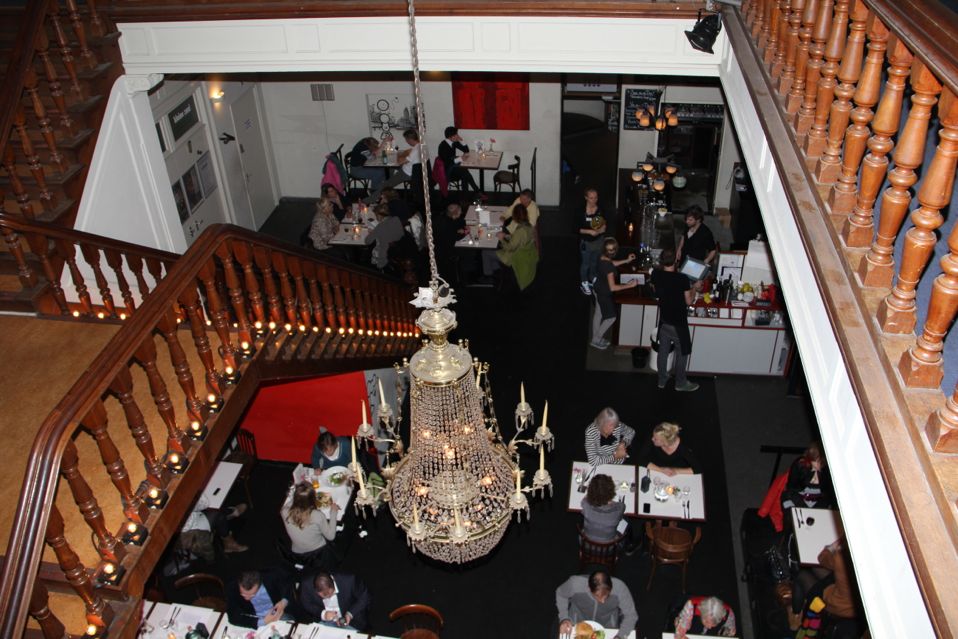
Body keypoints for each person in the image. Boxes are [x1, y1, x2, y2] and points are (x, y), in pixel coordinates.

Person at [651, 248, 698, 392]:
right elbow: (689, 301)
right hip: (678, 324)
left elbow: (656, 290)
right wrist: (694, 288)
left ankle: (662, 379)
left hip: (664, 321)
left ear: (661, 261)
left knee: (663, 351)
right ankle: (680, 383)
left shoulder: (655, 274)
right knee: (683, 352)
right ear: (676, 261)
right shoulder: (682, 279)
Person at [556, 570, 638, 639]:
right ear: (589, 588)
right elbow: (560, 594)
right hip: (577, 622)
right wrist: (564, 618)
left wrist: (620, 636)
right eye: (597, 596)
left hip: (607, 625)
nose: (603, 601)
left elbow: (631, 615)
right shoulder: (575, 584)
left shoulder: (620, 588)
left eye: (607, 596)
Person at [591, 237, 639, 350]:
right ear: (616, 250)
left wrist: (626, 260)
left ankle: (595, 338)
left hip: (597, 288)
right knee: (611, 317)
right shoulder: (609, 268)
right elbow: (612, 287)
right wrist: (630, 285)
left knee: (598, 313)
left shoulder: (601, 256)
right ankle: (596, 339)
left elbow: (611, 263)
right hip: (603, 293)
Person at [177, 495, 248, 560]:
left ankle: (230, 513)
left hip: (188, 521)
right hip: (190, 531)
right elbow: (204, 503)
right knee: (217, 513)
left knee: (215, 503)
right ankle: (229, 544)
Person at [298, 571, 372, 631]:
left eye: (331, 593)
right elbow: (306, 603)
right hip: (325, 621)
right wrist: (323, 614)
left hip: (351, 621)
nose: (329, 598)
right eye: (324, 597)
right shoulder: (306, 585)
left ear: (333, 580)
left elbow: (365, 597)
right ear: (316, 591)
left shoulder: (349, 580)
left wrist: (350, 614)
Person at [281, 481, 338, 556]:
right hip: (318, 553)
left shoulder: (284, 511)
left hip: (297, 553)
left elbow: (289, 504)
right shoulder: (317, 515)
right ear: (313, 499)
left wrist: (299, 496)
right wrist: (333, 512)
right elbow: (331, 537)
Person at [364, 128, 421, 204]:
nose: (406, 142)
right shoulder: (420, 146)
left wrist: (397, 157)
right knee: (391, 169)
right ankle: (388, 185)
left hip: (407, 173)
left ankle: (368, 201)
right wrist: (402, 155)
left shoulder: (415, 150)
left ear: (410, 139)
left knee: (385, 185)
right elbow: (408, 154)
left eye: (406, 140)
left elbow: (399, 163)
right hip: (412, 169)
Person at [226, 569, 296, 628]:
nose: (247, 598)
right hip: (253, 619)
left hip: (278, 615)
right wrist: (263, 622)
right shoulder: (232, 588)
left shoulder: (272, 576)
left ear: (259, 584)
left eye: (252, 594)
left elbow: (289, 587)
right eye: (243, 594)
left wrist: (283, 603)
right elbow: (233, 618)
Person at [494, 203, 538, 291]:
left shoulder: (520, 230)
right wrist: (506, 235)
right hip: (526, 253)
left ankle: (491, 276)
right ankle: (499, 272)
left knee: (487, 254)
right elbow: (519, 239)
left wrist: (501, 239)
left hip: (516, 255)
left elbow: (510, 247)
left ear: (515, 216)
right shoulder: (528, 226)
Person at [781, 441, 834, 511]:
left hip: (819, 501)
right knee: (788, 503)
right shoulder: (800, 465)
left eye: (821, 462)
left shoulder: (828, 470)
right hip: (800, 496)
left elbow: (828, 494)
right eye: (815, 461)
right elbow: (791, 488)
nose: (818, 464)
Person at [637, 422, 701, 475]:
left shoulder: (684, 447)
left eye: (656, 439)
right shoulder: (654, 435)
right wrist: (661, 470)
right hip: (655, 468)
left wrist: (675, 471)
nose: (652, 439)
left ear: (665, 442)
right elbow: (640, 459)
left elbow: (698, 468)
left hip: (678, 472)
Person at [578, 188, 608, 295]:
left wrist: (600, 230)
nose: (594, 200)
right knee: (585, 264)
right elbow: (575, 229)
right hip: (586, 242)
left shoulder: (600, 209)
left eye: (596, 198)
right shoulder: (580, 211)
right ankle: (584, 282)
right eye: (591, 198)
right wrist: (589, 232)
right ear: (586, 198)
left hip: (599, 241)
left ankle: (592, 278)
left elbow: (604, 224)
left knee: (594, 262)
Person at [580, 474, 625, 543]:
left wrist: (592, 493)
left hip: (587, 542)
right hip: (609, 545)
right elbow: (622, 508)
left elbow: (585, 499)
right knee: (625, 521)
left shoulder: (586, 505)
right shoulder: (619, 508)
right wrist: (611, 501)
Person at [437, 126, 479, 193]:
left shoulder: (453, 142)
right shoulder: (443, 146)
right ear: (450, 137)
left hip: (453, 166)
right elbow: (446, 162)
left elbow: (466, 150)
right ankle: (476, 192)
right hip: (446, 170)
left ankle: (471, 193)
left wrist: (461, 140)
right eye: (456, 135)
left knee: (464, 172)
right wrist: (460, 159)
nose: (457, 136)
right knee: (464, 172)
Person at [365, 203, 405, 270]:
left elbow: (367, 241)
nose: (376, 217)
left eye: (376, 215)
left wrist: (374, 232)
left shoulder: (380, 227)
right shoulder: (396, 219)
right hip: (399, 252)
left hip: (383, 258)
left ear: (379, 215)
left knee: (368, 251)